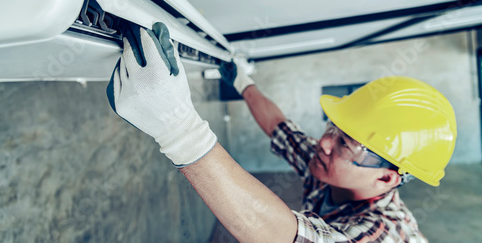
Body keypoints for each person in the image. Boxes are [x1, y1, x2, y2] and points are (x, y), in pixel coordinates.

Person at [107, 22, 457, 243]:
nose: (324, 142)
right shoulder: (332, 170)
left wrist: (178, 128)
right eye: (333, 128)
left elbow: (288, 238)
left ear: (386, 178)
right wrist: (244, 81)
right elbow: (281, 128)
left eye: (346, 143)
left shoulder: (388, 233)